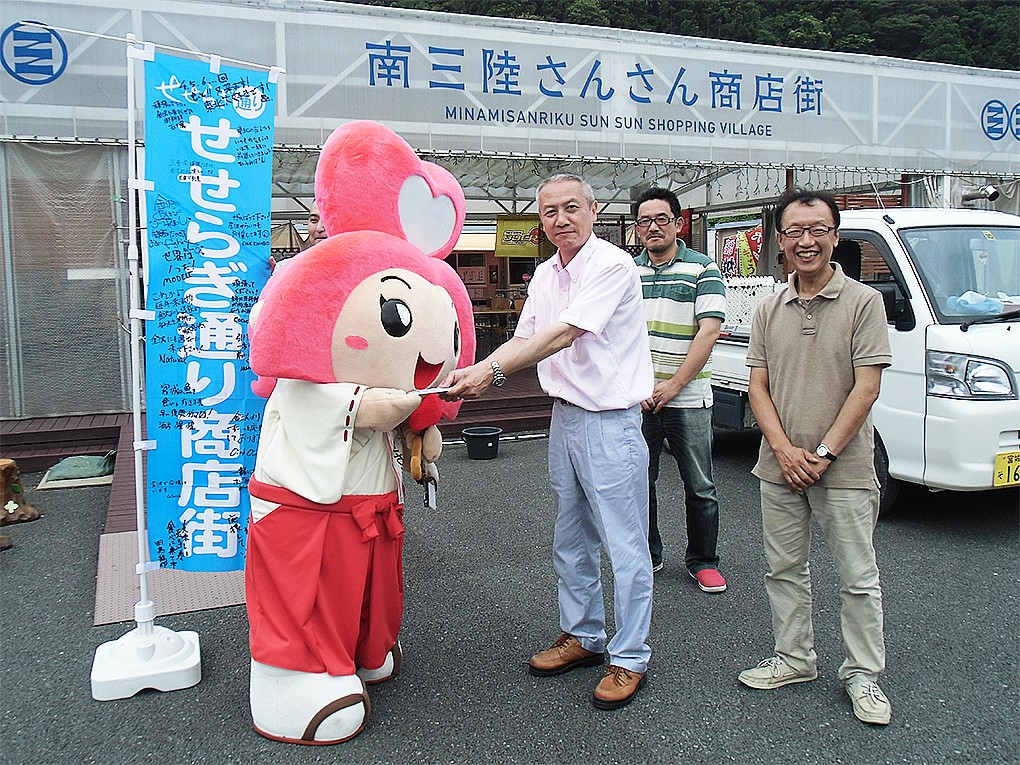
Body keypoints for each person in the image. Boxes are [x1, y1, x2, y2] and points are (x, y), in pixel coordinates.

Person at [441, 173, 654, 710]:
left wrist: (487, 373)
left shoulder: (612, 264)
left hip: (610, 421)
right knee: (571, 535)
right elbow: (526, 337)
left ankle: (629, 656)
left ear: (594, 210)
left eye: (571, 208)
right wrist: (482, 364)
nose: (561, 219)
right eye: (551, 212)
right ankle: (583, 634)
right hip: (565, 417)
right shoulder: (544, 273)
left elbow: (563, 334)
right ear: (541, 220)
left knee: (623, 543)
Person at [738, 187, 893, 726]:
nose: (806, 242)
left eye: (817, 231)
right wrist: (783, 450)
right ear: (780, 240)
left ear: (834, 236)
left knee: (857, 576)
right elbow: (757, 386)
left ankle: (864, 675)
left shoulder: (863, 303)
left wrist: (822, 454)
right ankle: (794, 657)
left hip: (844, 469)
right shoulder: (767, 306)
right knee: (784, 569)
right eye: (794, 232)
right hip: (777, 467)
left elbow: (866, 388)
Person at [632, 187, 727, 591]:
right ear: (637, 229)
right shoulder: (627, 272)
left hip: (688, 398)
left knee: (700, 484)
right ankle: (648, 554)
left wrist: (673, 385)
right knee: (639, 481)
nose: (653, 227)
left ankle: (703, 560)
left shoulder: (703, 268)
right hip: (638, 399)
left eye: (661, 219)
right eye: (645, 221)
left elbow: (708, 332)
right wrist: (638, 386)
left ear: (678, 223)